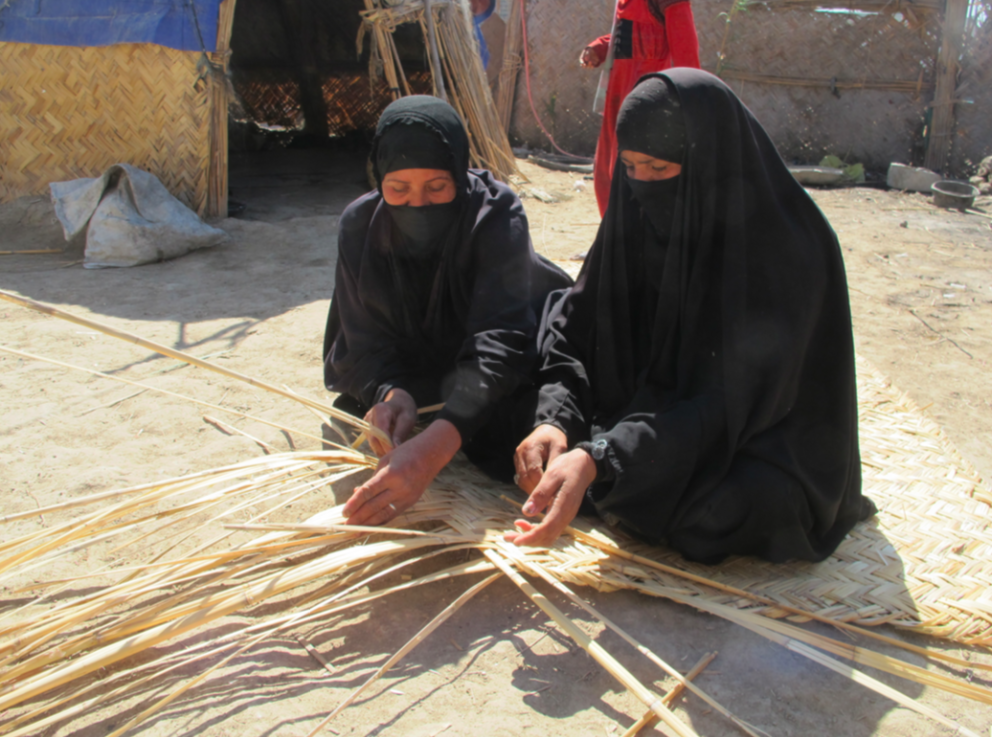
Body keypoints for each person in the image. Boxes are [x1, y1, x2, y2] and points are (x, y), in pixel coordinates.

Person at [508, 69, 874, 564]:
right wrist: (555, 420)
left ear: (707, 160)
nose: (641, 184)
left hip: (757, 431)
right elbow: (577, 327)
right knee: (512, 420)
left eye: (659, 170)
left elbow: (737, 401)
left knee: (728, 511)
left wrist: (606, 455)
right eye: (631, 167)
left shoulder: (789, 248)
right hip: (651, 417)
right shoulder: (634, 213)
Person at [323, 95, 571, 527]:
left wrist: (438, 443)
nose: (417, 204)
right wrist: (389, 389)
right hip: (422, 362)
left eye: (437, 187)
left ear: (459, 170)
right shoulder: (361, 225)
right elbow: (361, 333)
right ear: (378, 178)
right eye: (398, 189)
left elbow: (502, 338)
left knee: (523, 423)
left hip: (492, 356)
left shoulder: (494, 214)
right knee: (368, 406)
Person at [581, 0, 700, 216]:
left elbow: (686, 55)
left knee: (632, 175)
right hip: (616, 97)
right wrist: (601, 47)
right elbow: (632, 39)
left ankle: (633, 243)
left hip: (646, 102)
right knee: (606, 173)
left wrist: (691, 105)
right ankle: (611, 242)